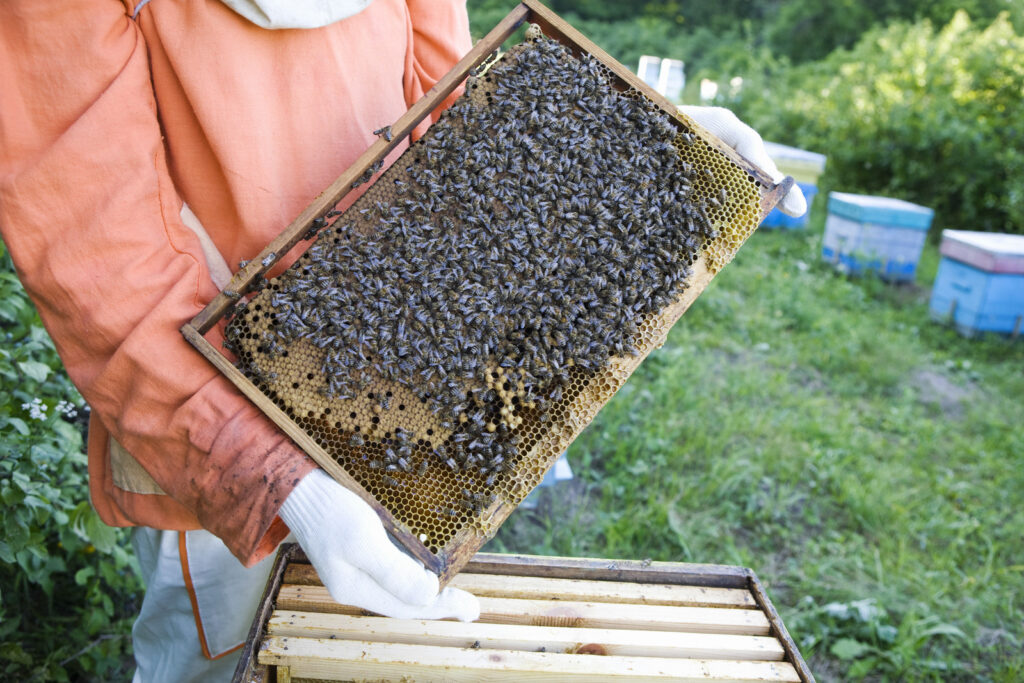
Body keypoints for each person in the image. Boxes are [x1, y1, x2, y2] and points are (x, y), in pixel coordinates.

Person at [0, 1, 805, 680]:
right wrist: (279, 478)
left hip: (418, 412)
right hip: (212, 426)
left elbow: (448, 128)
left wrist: (636, 139)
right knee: (223, 658)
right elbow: (91, 239)